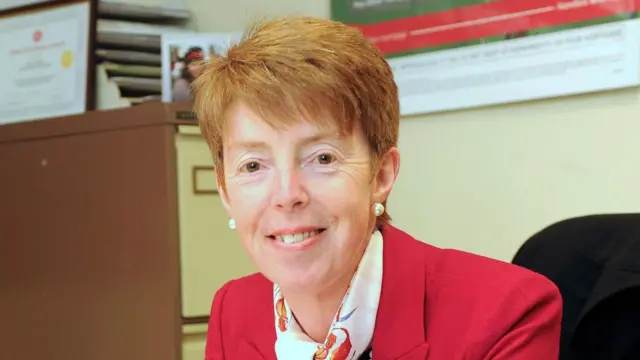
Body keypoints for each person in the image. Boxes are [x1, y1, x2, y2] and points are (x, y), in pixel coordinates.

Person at [192, 16, 563, 360]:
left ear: (381, 175)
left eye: (323, 159)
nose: (287, 195)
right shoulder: (233, 310)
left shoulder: (506, 313)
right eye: (253, 165)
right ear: (224, 190)